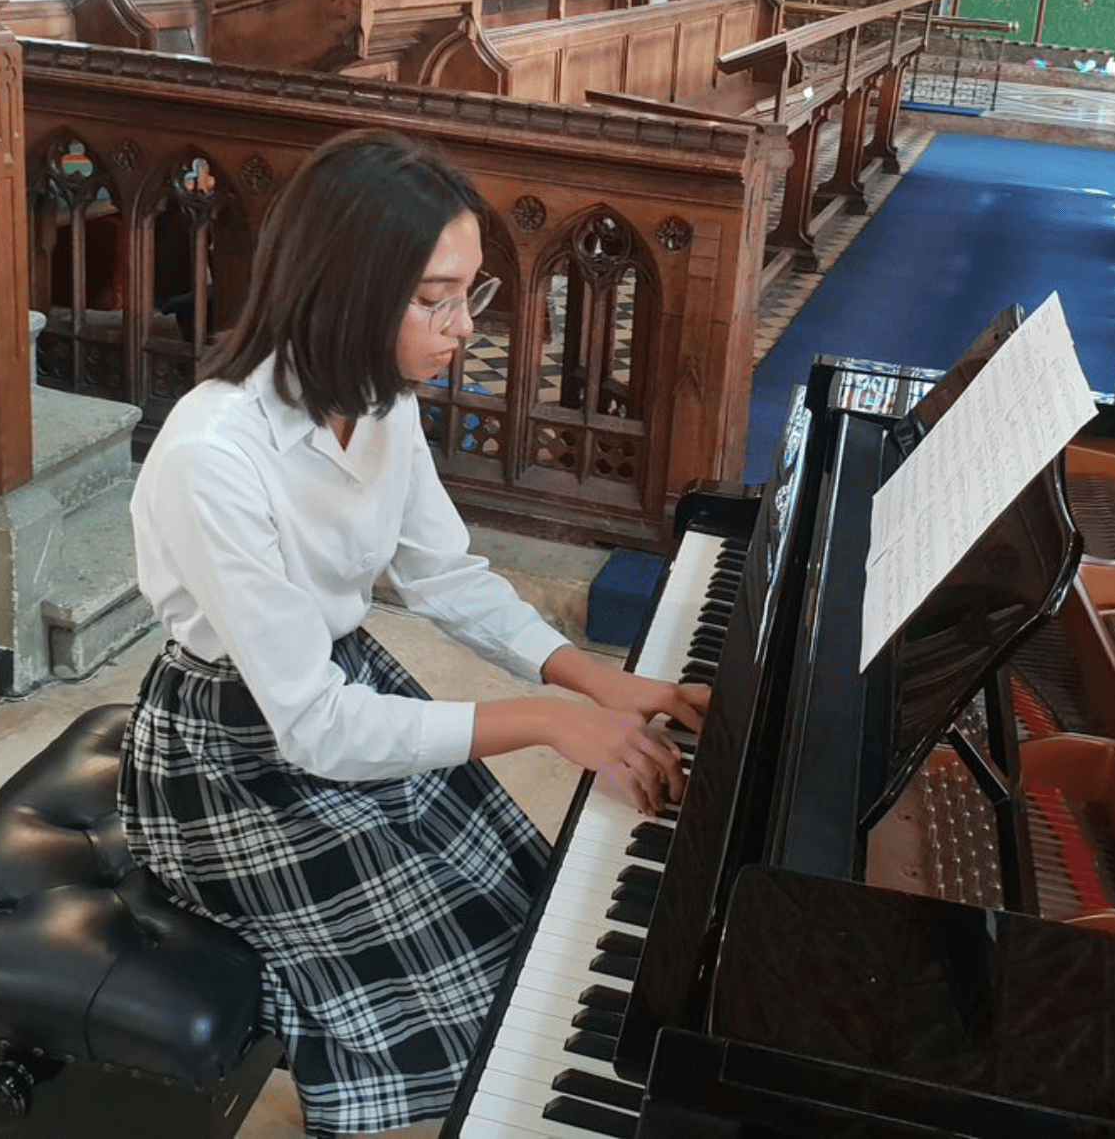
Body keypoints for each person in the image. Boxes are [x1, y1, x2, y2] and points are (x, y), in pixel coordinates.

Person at [118, 129, 709, 1138]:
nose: (459, 329)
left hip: (345, 685)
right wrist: (543, 724)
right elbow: (307, 728)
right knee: (470, 996)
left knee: (524, 913)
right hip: (227, 752)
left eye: (469, 294)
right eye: (433, 298)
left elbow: (444, 575)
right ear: (340, 287)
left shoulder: (380, 400)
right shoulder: (214, 454)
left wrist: (595, 684)